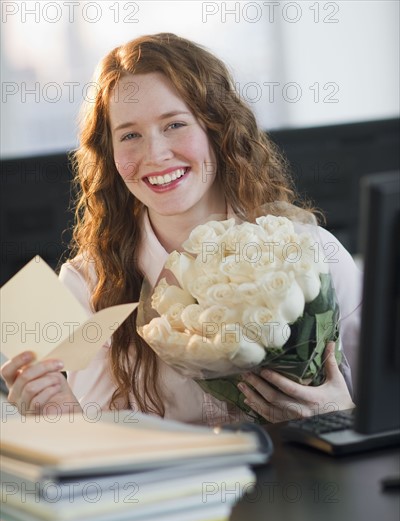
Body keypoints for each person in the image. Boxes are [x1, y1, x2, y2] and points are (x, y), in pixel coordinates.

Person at [1, 33, 361, 425]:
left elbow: (383, 418)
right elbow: (101, 461)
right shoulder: (86, 285)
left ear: (218, 128)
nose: (154, 155)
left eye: (174, 124)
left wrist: (340, 413)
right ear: (110, 152)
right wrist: (62, 420)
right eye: (130, 135)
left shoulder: (310, 251)